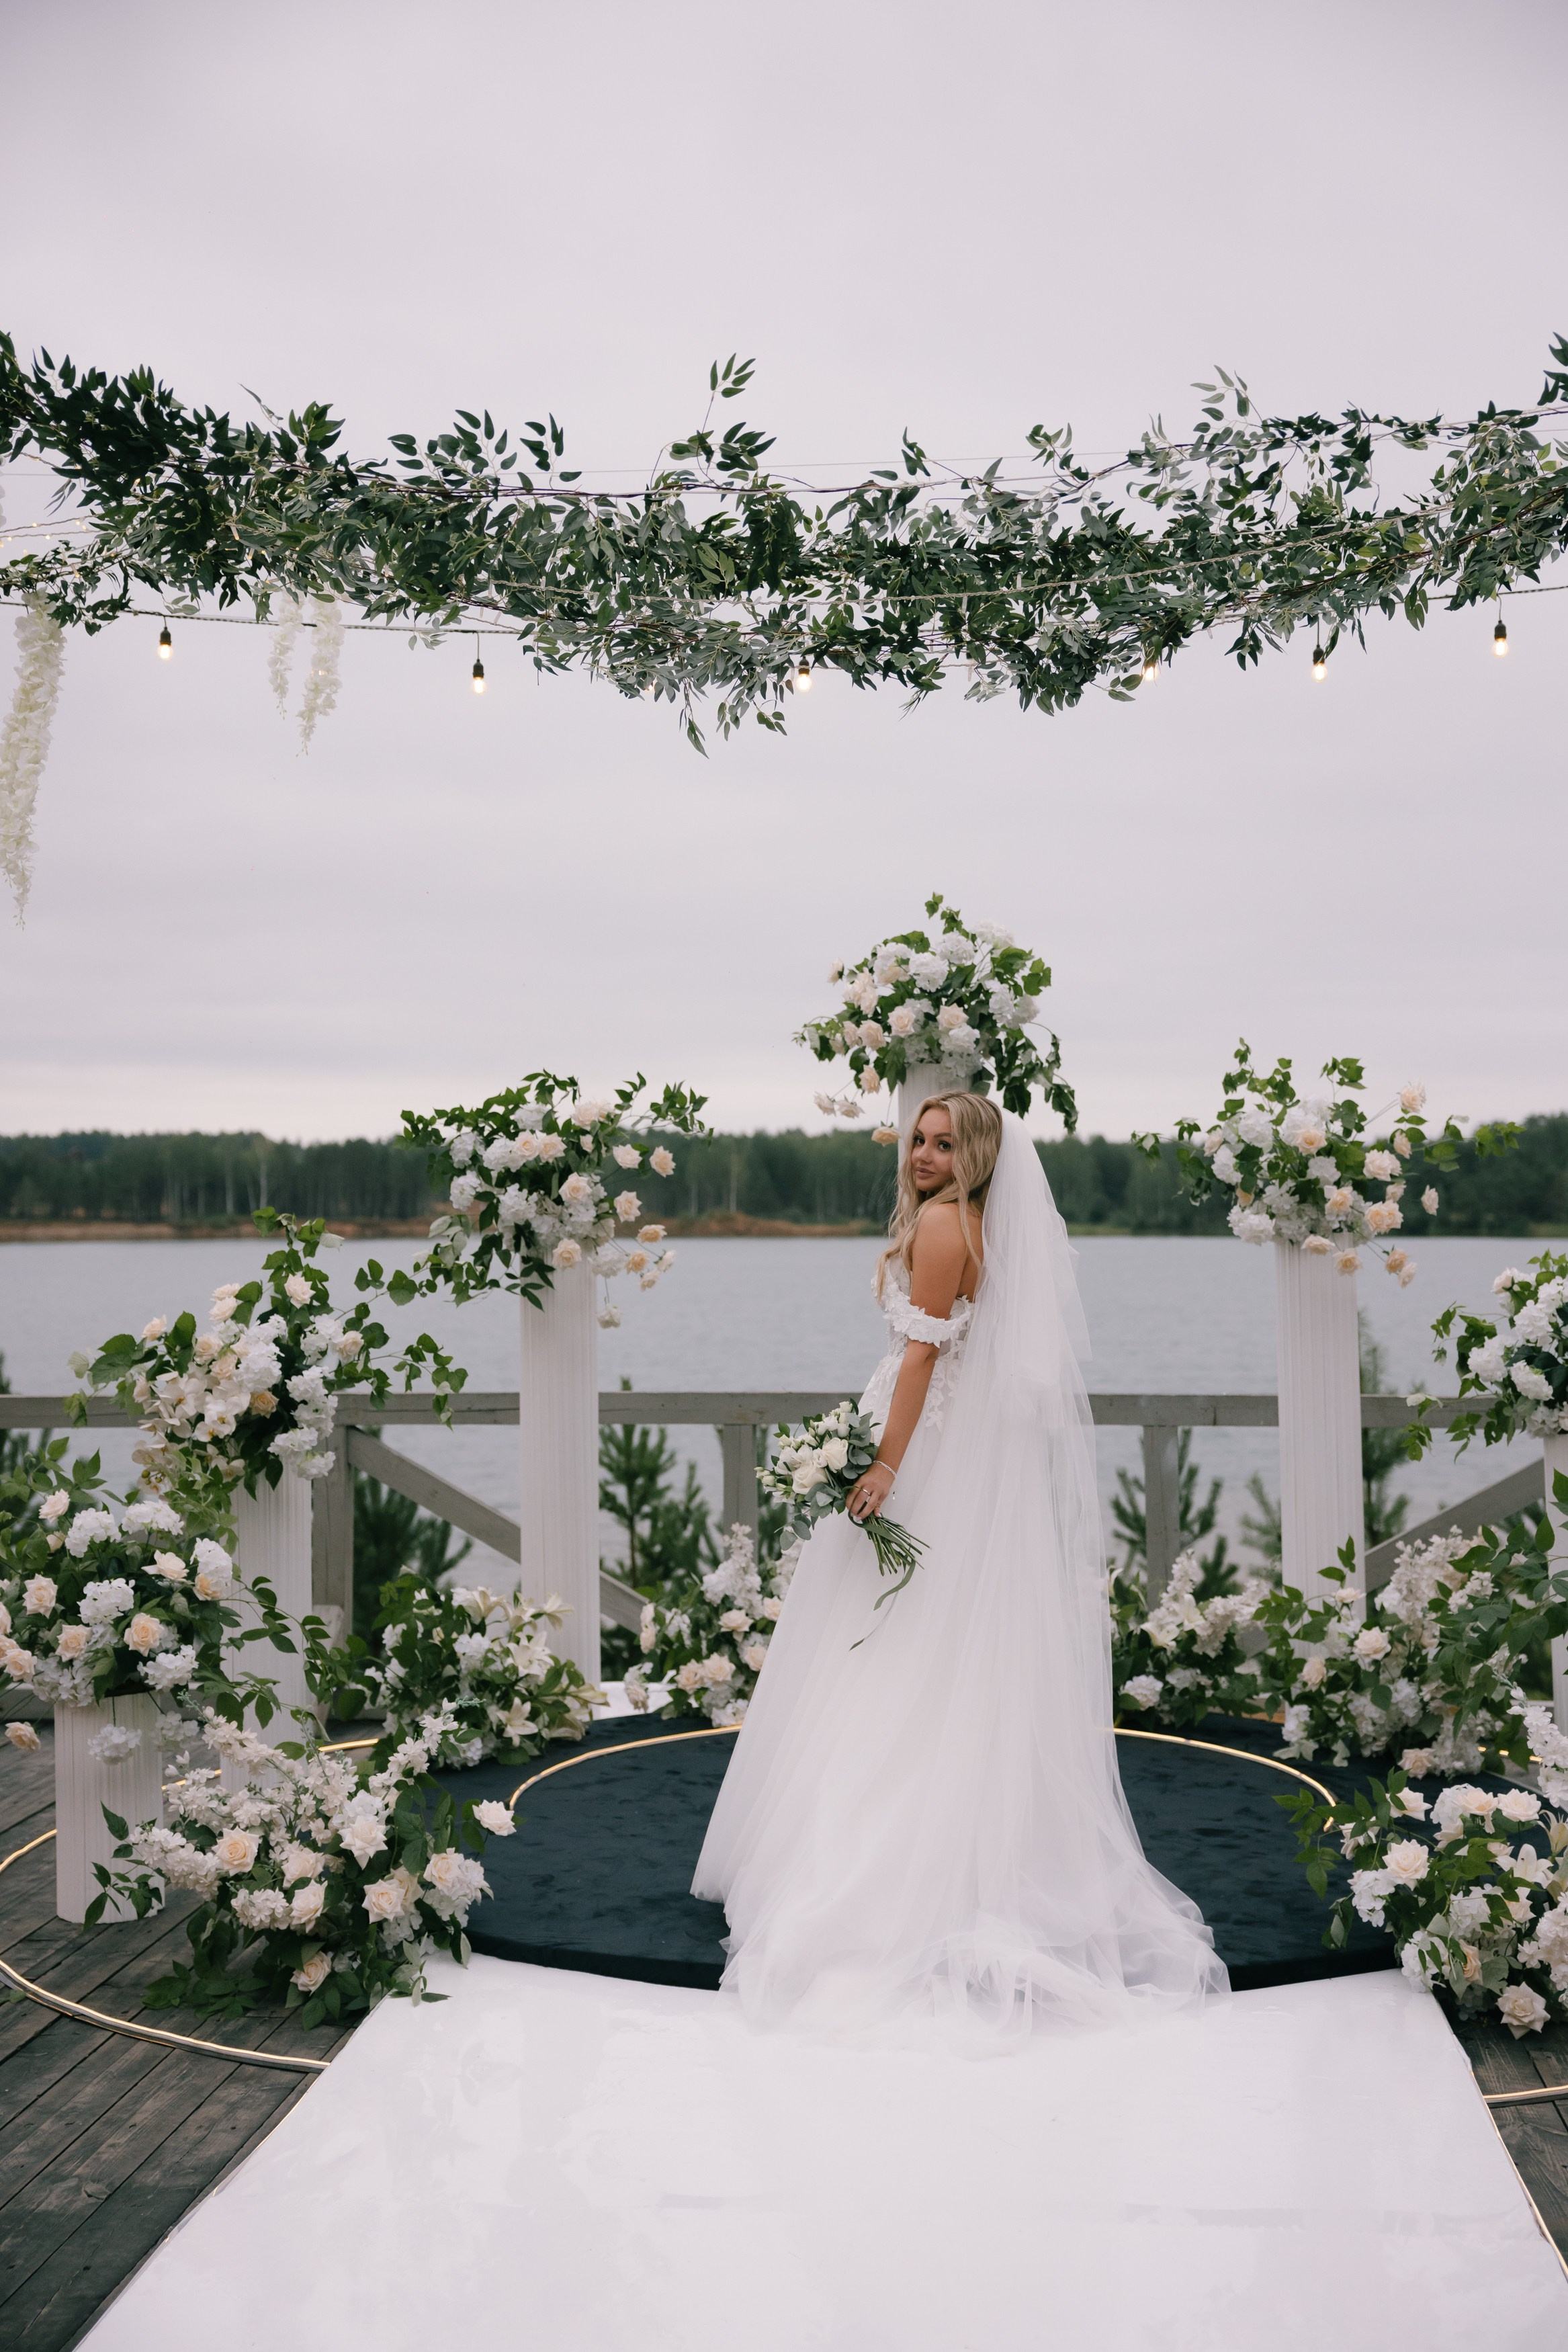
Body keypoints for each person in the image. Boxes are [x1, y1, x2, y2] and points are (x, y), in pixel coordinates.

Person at [692, 1091, 1227, 2047]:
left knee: (887, 1642)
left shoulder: (944, 1226)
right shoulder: (976, 1228)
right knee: (922, 1642)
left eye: (944, 1145)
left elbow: (920, 1364)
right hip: (945, 1450)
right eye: (918, 1141)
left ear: (977, 1158)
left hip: (924, 1452)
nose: (923, 1157)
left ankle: (882, 1863)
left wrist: (882, 1465)